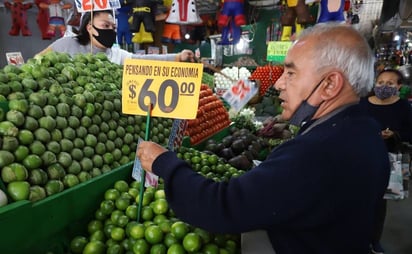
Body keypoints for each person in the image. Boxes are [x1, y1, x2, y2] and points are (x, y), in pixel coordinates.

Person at [137, 23, 390, 254]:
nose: (279, 83)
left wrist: (165, 163)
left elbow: (221, 207)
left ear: (330, 84)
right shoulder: (366, 130)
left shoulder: (315, 154)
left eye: (290, 73)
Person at [360, 68, 412, 254]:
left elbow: (410, 133)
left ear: (399, 86)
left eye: (390, 84)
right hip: (362, 158)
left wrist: (395, 134)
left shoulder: (403, 107)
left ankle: (374, 241)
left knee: (378, 205)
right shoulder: (363, 104)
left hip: (388, 160)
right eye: (381, 83)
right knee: (357, 201)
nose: (384, 87)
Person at [36, 10, 195, 65]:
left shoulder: (115, 54)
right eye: (105, 26)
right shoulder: (66, 44)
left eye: (113, 28)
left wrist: (178, 57)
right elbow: (37, 60)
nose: (111, 31)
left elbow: (144, 61)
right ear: (90, 28)